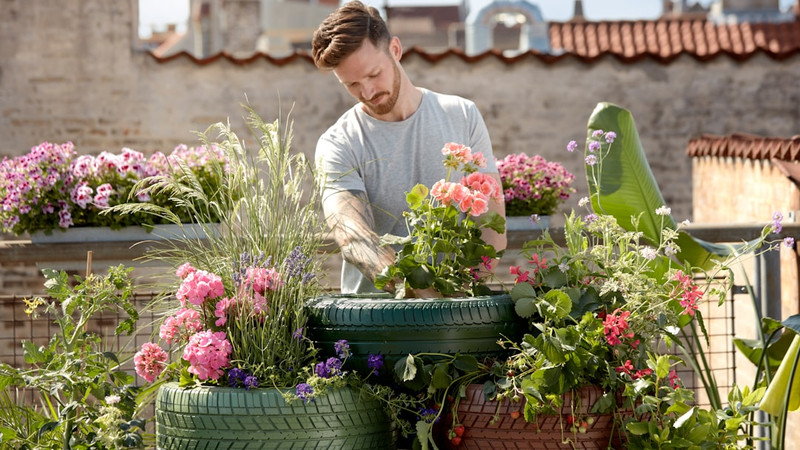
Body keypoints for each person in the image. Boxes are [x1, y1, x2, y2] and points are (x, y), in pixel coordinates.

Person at [311, 0, 506, 295]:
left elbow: (492, 226)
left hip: (457, 316)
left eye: (374, 74)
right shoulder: (338, 142)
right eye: (351, 84)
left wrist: (463, 294)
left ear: (395, 50)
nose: (367, 91)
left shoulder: (462, 115)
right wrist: (419, 295)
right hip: (373, 323)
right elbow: (352, 235)